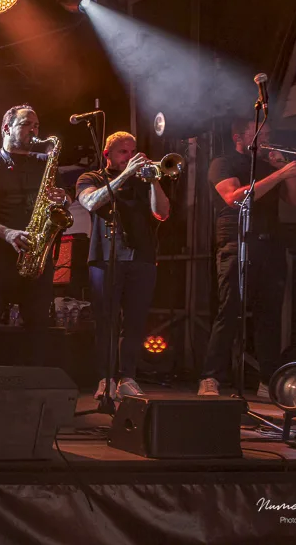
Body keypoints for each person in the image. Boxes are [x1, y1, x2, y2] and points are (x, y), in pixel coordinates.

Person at [199, 118, 296, 397]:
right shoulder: (223, 163)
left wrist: (289, 172)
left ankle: (267, 381)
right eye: (262, 134)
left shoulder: (270, 166)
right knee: (229, 312)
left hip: (271, 244)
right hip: (238, 243)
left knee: (269, 316)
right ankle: (211, 377)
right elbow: (235, 198)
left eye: (269, 134)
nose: (268, 139)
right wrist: (280, 174)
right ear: (239, 137)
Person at [0, 104, 69, 364]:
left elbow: (67, 199)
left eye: (36, 126)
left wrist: (63, 198)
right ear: (6, 128)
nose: (33, 130)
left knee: (39, 325)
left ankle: (35, 380)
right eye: (26, 124)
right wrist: (7, 233)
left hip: (36, 254)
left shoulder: (45, 163)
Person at [76, 131, 170, 401]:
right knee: (106, 321)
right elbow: (91, 202)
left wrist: (154, 181)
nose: (129, 157)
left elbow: (162, 213)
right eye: (123, 152)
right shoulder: (91, 178)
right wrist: (126, 174)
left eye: (132, 152)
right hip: (105, 258)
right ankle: (105, 378)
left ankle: (128, 377)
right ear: (107, 155)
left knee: (136, 322)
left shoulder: (143, 180)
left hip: (141, 257)